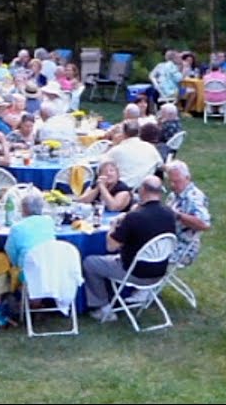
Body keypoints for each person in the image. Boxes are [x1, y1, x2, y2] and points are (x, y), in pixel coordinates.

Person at [83, 176, 177, 323]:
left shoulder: (135, 217)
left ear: (142, 190)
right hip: (159, 272)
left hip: (134, 272)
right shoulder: (170, 214)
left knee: (90, 262)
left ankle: (101, 307)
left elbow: (111, 246)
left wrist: (113, 227)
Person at [165, 161, 211, 267]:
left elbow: (205, 225)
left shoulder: (194, 198)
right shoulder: (174, 195)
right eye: (170, 181)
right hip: (167, 241)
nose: (172, 185)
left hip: (182, 247)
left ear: (187, 178)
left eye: (176, 181)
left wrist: (178, 215)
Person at [4, 194, 57, 273]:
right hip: (50, 269)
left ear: (23, 209)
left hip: (27, 271)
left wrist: (16, 265)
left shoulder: (17, 228)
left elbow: (10, 250)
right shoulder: (49, 221)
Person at [103, 121, 163, 189]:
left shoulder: (116, 150)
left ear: (123, 134)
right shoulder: (150, 147)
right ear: (139, 133)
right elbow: (160, 165)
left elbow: (100, 165)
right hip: (143, 187)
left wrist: (113, 144)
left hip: (121, 188)